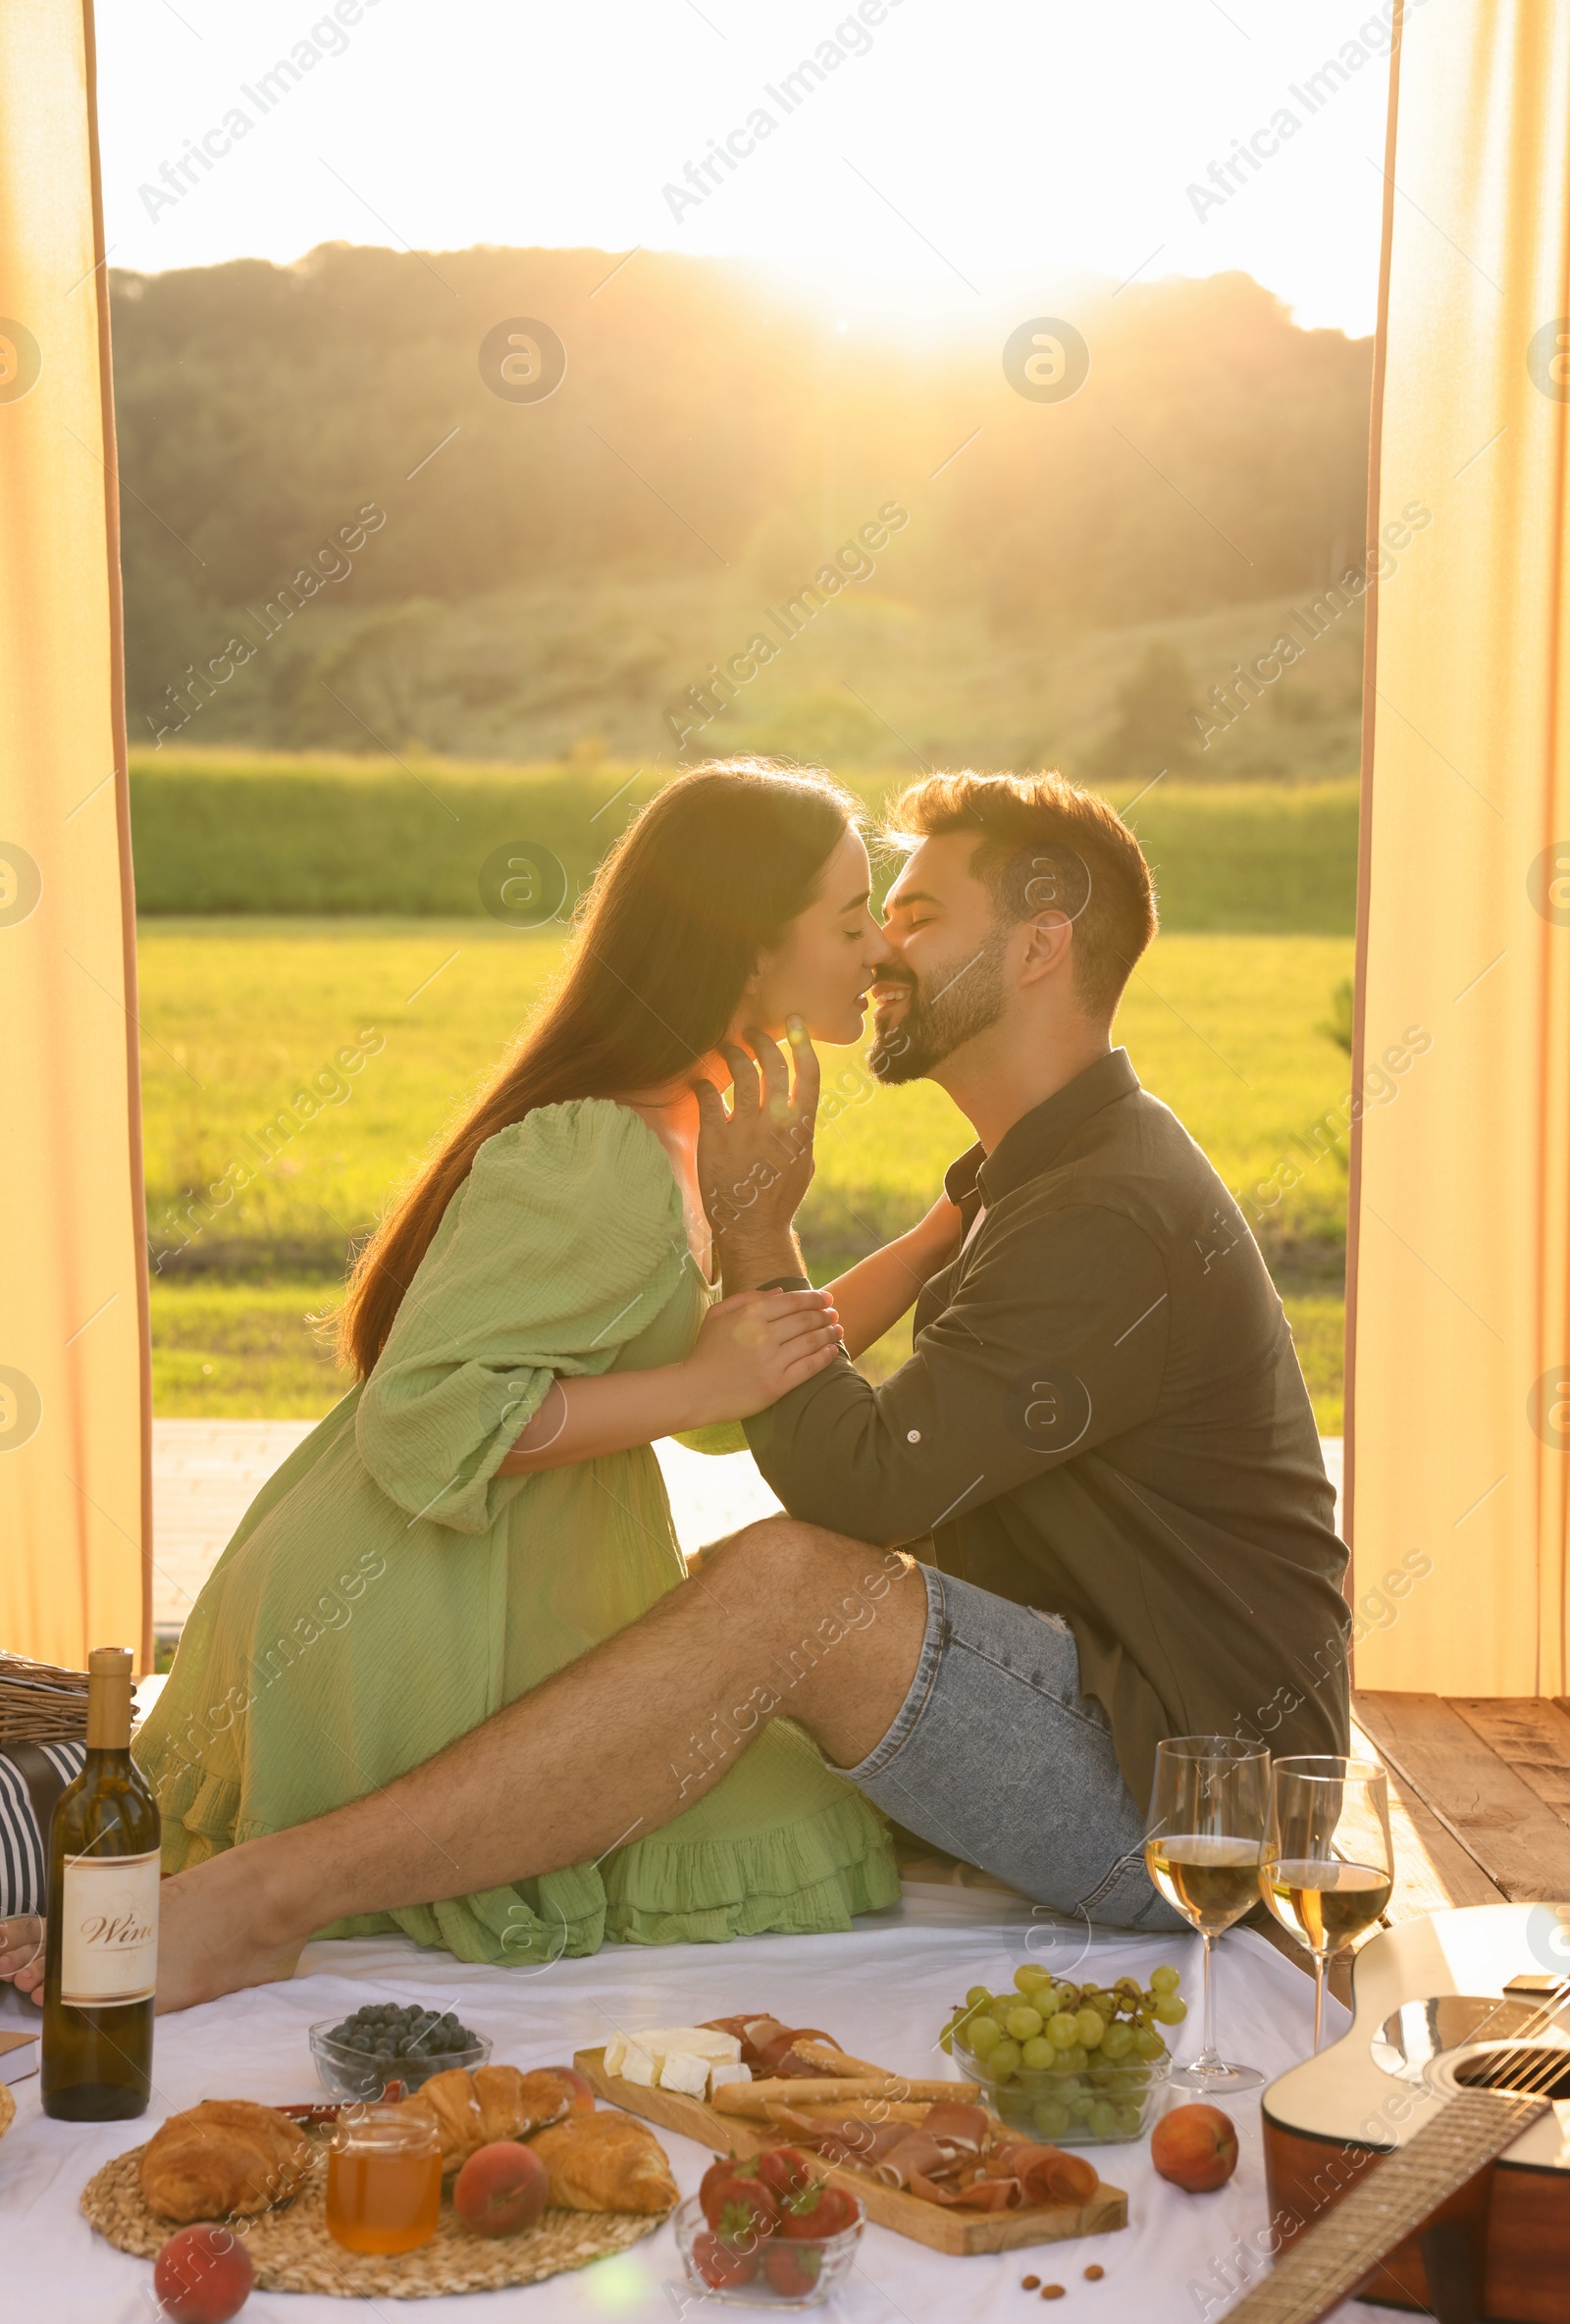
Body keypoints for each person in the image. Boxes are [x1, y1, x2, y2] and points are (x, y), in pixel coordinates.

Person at [7, 766, 1350, 2011]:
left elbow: (860, 1480)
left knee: (777, 1586)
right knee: (725, 1627)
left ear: (1043, 943)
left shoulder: (1105, 1204)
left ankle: (271, 1891)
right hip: (1119, 1710)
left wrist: (763, 1228)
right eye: (867, 917)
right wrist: (892, 1240)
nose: (883, 948)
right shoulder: (1051, 1173)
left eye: (921, 914)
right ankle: (199, 1849)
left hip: (1194, 1794)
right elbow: (763, 1397)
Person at [117, 760, 942, 1967]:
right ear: (747, 954)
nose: (876, 953)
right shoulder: (598, 1151)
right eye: (850, 919)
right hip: (417, 1609)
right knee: (799, 1823)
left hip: (518, 1582)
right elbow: (426, 1418)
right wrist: (701, 1384)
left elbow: (740, 1378)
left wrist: (933, 1237)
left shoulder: (694, 1122)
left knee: (808, 1805)